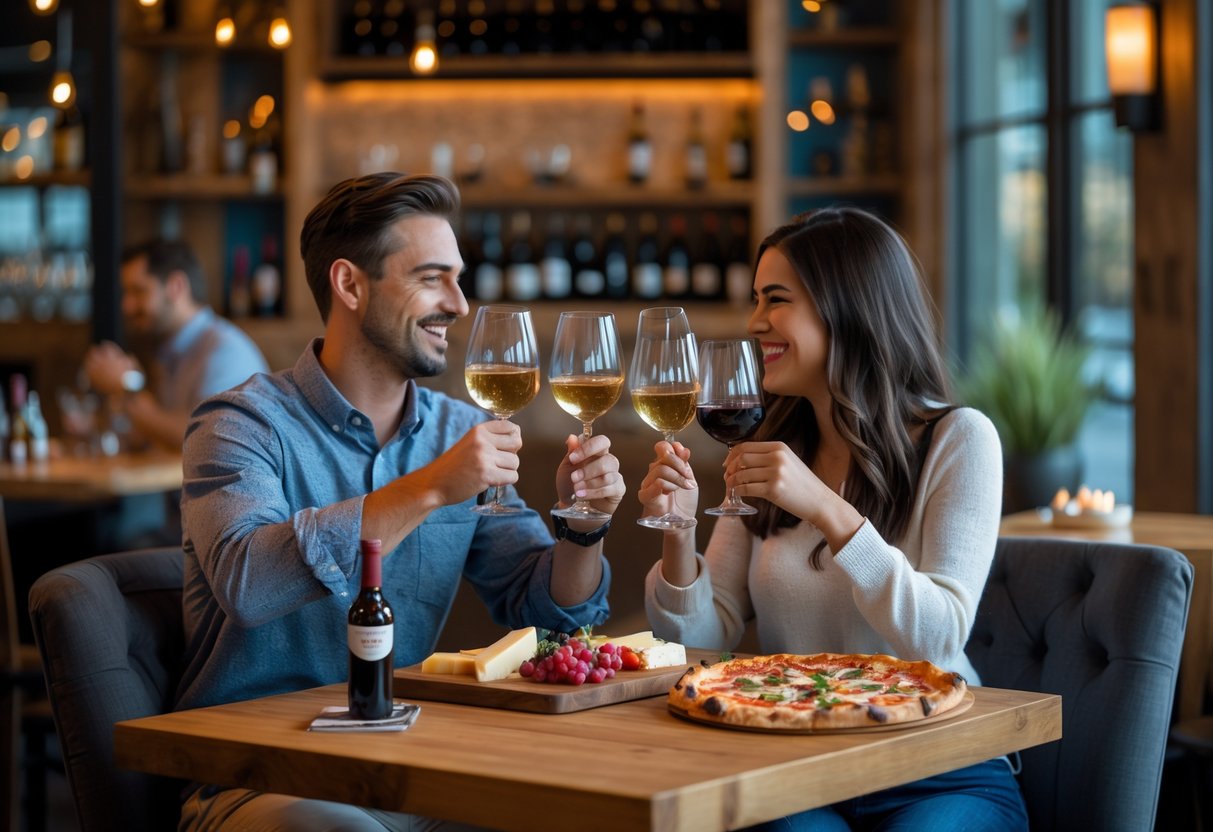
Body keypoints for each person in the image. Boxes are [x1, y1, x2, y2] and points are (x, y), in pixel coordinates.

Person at [176, 172, 625, 831]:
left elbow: (549, 614)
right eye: (432, 278)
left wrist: (582, 525)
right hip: (258, 775)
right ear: (350, 285)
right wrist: (431, 487)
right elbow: (248, 581)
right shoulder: (239, 425)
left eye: (459, 278)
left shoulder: (456, 432)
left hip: (412, 766)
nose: (460, 303)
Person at [638, 207, 1027, 830]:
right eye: (757, 298)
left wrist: (824, 505)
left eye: (777, 299)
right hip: (795, 767)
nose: (755, 321)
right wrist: (679, 535)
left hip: (937, 764)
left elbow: (939, 638)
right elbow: (709, 640)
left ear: (848, 306)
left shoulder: (959, 439)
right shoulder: (769, 444)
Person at [83, 238, 269, 451]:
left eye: (138, 291)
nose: (127, 306)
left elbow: (204, 440)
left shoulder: (225, 352)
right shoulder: (171, 349)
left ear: (176, 286)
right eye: (126, 293)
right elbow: (153, 436)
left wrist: (125, 387)